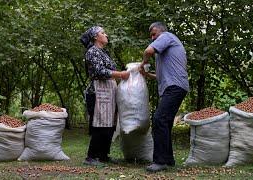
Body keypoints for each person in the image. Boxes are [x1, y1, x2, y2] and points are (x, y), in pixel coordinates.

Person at [139, 22, 189, 172]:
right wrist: (148, 75)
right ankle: (168, 160)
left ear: (161, 31)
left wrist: (143, 64)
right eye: (151, 36)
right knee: (165, 123)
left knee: (159, 119)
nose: (153, 38)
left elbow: (148, 51)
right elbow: (162, 77)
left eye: (154, 34)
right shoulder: (165, 52)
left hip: (174, 87)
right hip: (175, 86)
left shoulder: (167, 36)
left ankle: (160, 161)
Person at [80, 26, 130, 166]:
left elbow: (109, 70)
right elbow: (99, 71)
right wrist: (120, 74)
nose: (106, 34)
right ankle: (91, 157)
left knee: (109, 124)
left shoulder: (103, 53)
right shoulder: (92, 52)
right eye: (102, 32)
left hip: (108, 91)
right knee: (99, 124)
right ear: (96, 37)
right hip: (98, 92)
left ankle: (103, 155)